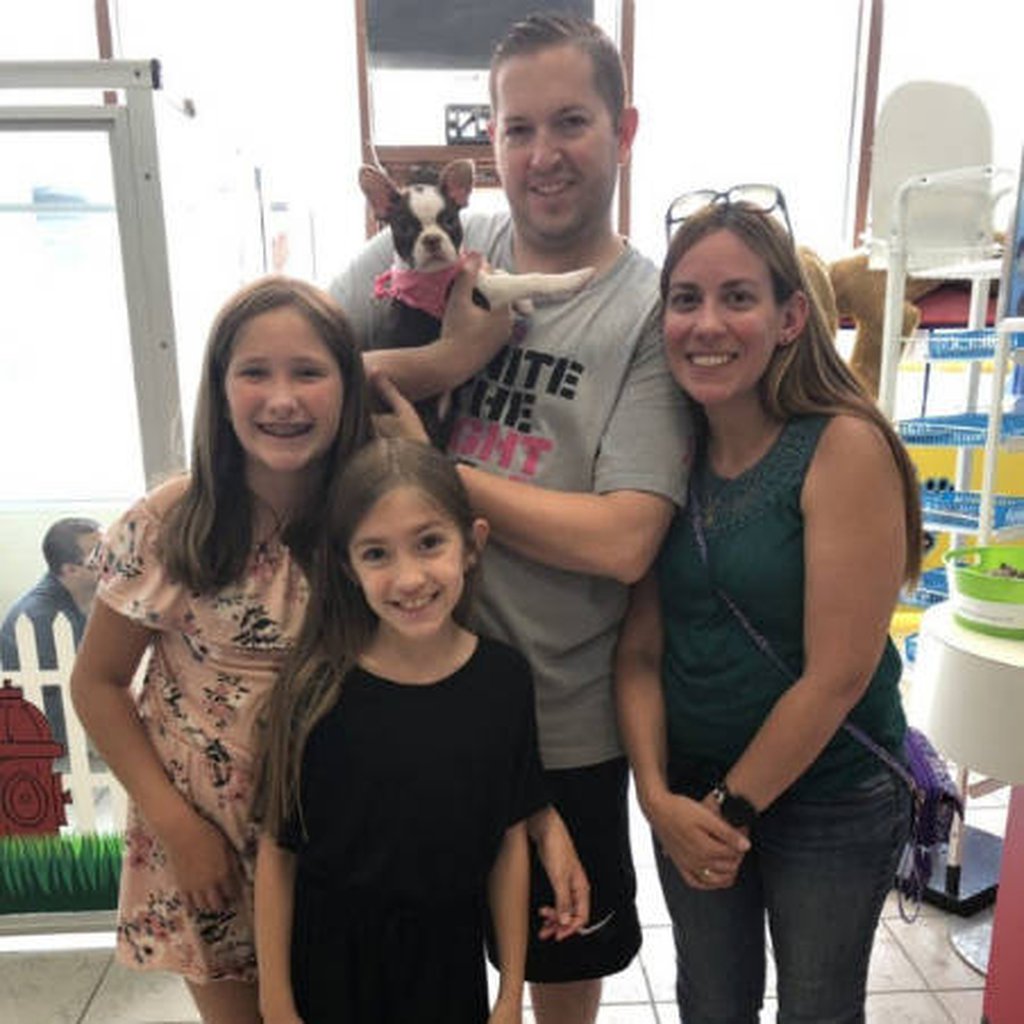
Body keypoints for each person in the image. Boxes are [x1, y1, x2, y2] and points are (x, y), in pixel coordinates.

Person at [332, 12, 691, 1022]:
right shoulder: (438, 250)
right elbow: (290, 371)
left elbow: (623, 540)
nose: (542, 154)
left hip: (559, 723)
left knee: (557, 987)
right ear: (485, 146)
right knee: (411, 980)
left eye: (570, 122)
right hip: (405, 695)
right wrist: (444, 364)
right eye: (517, 128)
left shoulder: (650, 315)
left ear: (622, 131)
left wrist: (429, 470)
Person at [615, 190, 922, 1023]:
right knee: (711, 1004)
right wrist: (657, 798)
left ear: (789, 318)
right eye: (686, 299)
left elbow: (837, 675)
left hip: (829, 793)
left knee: (817, 1009)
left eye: (736, 297)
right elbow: (639, 652)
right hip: (689, 790)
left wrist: (725, 811)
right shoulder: (666, 454)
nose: (706, 323)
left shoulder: (842, 447)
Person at [70, 277, 372, 1024]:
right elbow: (98, 684)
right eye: (254, 372)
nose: (282, 398)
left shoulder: (375, 513)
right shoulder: (173, 523)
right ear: (220, 386)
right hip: (207, 845)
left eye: (308, 371)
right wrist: (178, 828)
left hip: (342, 836)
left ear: (346, 385)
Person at [254, 437, 555, 1024]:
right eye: (377, 554)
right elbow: (277, 852)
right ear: (347, 567)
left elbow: (508, 842)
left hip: (449, 966)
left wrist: (512, 992)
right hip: (329, 973)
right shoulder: (314, 690)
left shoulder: (504, 681)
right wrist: (277, 1001)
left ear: (473, 545)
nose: (409, 577)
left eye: (429, 543)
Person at [1, 516, 101, 671]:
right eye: (100, 556)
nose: (115, 559)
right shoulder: (39, 619)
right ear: (70, 570)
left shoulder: (88, 595)